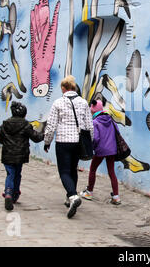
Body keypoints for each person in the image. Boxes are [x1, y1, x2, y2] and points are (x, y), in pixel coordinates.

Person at [43, 75, 93, 218]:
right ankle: (69, 197)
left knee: (64, 171)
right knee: (73, 170)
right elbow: (90, 125)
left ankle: (72, 196)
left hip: (63, 142)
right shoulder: (83, 103)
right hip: (78, 142)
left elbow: (51, 125)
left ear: (64, 88)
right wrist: (90, 142)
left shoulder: (58, 103)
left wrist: (47, 141)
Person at [0, 101, 44, 211]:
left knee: (10, 174)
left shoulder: (5, 124)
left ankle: (8, 193)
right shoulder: (26, 125)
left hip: (7, 155)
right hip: (20, 155)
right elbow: (35, 137)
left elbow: (0, 138)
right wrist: (45, 135)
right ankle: (15, 194)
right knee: (17, 174)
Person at [80, 99, 121, 205]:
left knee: (93, 169)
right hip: (112, 150)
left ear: (93, 110)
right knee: (111, 172)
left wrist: (92, 148)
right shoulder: (111, 120)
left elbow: (96, 138)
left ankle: (89, 192)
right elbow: (117, 133)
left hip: (101, 150)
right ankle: (116, 197)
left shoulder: (95, 122)